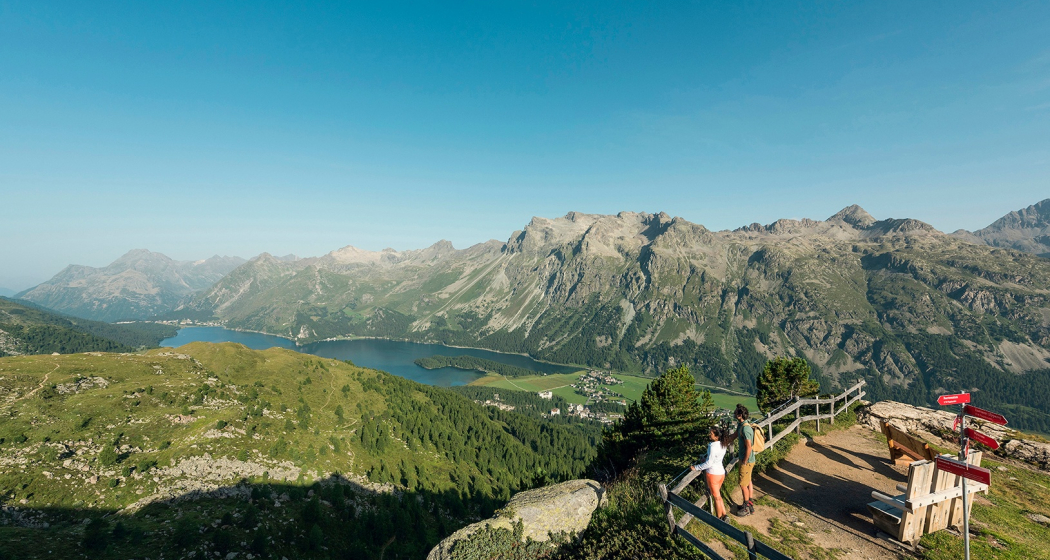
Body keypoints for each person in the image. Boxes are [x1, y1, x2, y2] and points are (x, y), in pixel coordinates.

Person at [690, 425, 733, 521]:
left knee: (716, 497)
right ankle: (724, 515)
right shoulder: (723, 444)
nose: (709, 434)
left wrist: (696, 467)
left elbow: (709, 463)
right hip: (721, 473)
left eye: (711, 433)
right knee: (718, 495)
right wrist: (706, 460)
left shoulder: (712, 446)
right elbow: (715, 459)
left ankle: (719, 519)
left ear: (716, 436)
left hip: (713, 474)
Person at [728, 404, 757, 516]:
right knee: (748, 481)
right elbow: (733, 436)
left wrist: (744, 460)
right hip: (748, 460)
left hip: (747, 461)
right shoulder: (741, 425)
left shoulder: (745, 429)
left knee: (743, 484)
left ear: (740, 415)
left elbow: (749, 446)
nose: (734, 413)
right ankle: (750, 504)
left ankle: (746, 508)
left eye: (736, 412)